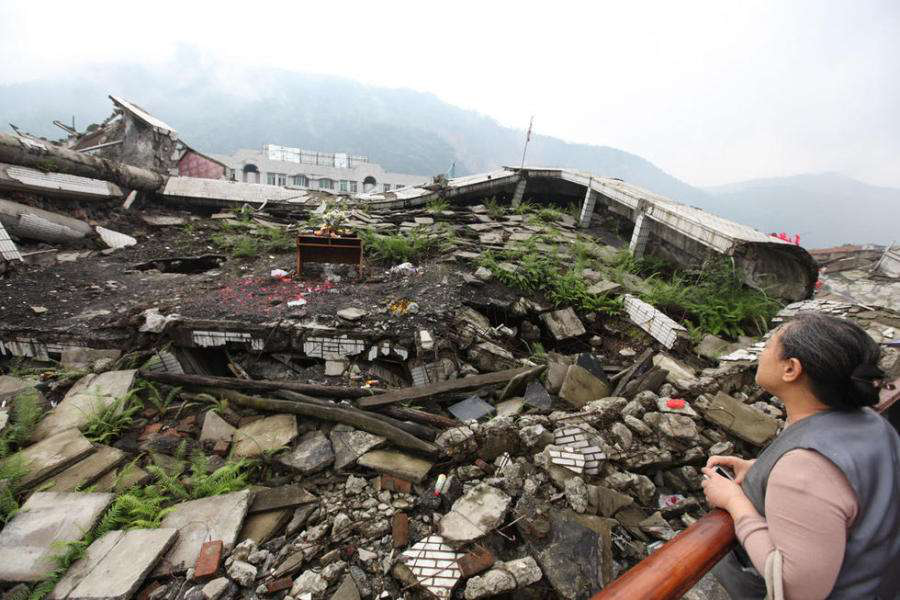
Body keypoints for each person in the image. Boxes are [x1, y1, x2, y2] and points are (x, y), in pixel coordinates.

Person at [702, 312, 900, 600]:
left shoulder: (805, 468)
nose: (762, 352)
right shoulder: (871, 423)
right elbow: (843, 491)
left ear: (791, 369)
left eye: (770, 344)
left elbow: (796, 588)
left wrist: (735, 502)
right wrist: (761, 471)